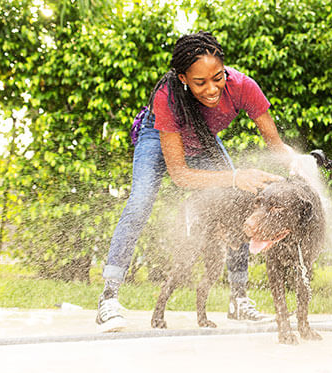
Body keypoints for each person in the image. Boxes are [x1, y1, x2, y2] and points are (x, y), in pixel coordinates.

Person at [96, 31, 298, 332]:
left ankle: (238, 300)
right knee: (139, 204)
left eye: (217, 77)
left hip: (202, 141)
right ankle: (108, 298)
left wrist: (298, 165)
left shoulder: (242, 87)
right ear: (183, 78)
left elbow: (276, 145)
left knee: (241, 202)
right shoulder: (167, 98)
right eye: (200, 82)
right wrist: (234, 176)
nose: (212, 88)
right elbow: (179, 175)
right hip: (158, 136)